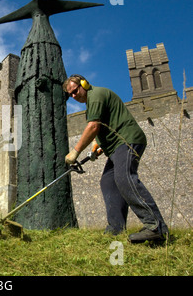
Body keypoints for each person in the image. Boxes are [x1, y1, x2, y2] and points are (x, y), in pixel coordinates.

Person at [63, 74, 169, 243]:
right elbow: (101, 131)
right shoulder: (91, 105)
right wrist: (95, 149)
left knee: (124, 177)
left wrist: (75, 151)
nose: (74, 96)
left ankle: (155, 226)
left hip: (128, 140)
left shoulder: (95, 96)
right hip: (114, 148)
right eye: (71, 95)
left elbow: (93, 126)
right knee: (108, 181)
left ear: (84, 84)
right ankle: (115, 228)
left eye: (75, 91)